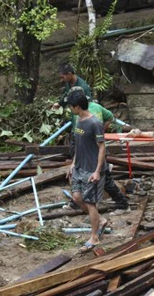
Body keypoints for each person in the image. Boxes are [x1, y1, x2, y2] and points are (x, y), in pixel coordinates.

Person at [65, 87, 129, 210]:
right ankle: (77, 201)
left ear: (77, 104)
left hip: (95, 151)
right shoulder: (80, 114)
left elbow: (99, 141)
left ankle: (122, 203)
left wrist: (99, 134)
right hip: (84, 149)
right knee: (79, 176)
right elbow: (110, 117)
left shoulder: (89, 115)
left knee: (104, 179)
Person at [66, 90, 108, 252]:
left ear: (77, 107)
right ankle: (101, 220)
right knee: (77, 197)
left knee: (90, 203)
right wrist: (73, 163)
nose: (70, 109)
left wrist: (97, 171)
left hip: (92, 169)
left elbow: (102, 147)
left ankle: (94, 237)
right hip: (79, 167)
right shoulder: (78, 120)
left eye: (71, 107)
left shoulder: (95, 123)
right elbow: (79, 145)